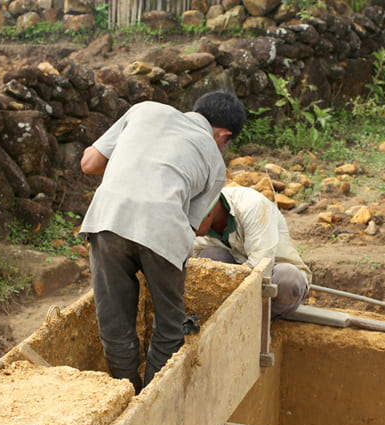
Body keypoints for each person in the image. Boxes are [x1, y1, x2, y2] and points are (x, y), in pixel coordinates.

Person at [79, 91, 245, 394]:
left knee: (115, 322)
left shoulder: (143, 110)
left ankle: (124, 395)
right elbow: (193, 228)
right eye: (225, 143)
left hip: (106, 220)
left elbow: (89, 163)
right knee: (170, 327)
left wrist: (133, 163)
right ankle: (150, 401)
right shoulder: (215, 163)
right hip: (162, 230)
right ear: (223, 135)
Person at [194, 185, 311, 318]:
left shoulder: (251, 205)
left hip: (270, 274)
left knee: (287, 279)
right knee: (208, 260)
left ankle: (257, 319)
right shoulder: (200, 226)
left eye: (191, 224)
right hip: (237, 276)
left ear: (207, 214)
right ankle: (232, 318)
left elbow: (260, 268)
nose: (189, 230)